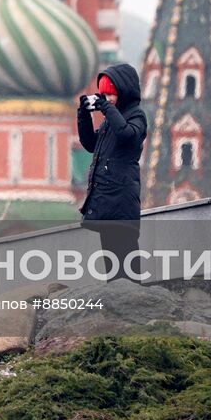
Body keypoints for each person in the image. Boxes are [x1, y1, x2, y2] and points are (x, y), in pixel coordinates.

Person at [77, 64, 146, 281]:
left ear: (123, 91)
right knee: (110, 257)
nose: (106, 98)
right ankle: (116, 300)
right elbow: (90, 143)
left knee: (126, 254)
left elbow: (127, 135)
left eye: (110, 93)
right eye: (103, 94)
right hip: (106, 200)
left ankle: (134, 299)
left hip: (122, 199)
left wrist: (106, 108)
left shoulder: (136, 116)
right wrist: (83, 115)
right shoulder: (111, 121)